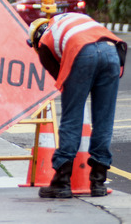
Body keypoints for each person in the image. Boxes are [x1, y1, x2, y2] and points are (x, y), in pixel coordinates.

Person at [27, 13, 127, 199]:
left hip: (81, 51)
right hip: (111, 50)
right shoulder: (66, 20)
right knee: (104, 119)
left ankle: (62, 182)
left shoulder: (44, 45)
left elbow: (64, 83)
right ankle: (98, 181)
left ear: (35, 40)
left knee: (71, 118)